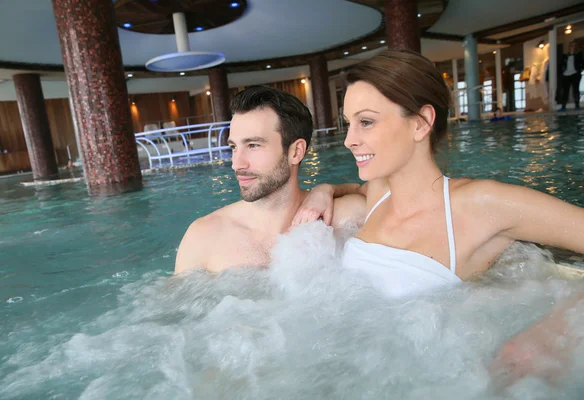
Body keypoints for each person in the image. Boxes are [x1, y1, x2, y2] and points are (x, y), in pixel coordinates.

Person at [293, 49, 584, 385]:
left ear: (420, 123)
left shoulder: (481, 204)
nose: (348, 140)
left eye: (366, 122)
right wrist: (324, 189)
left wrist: (556, 329)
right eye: (349, 123)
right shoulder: (377, 191)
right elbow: (355, 189)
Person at [174, 86, 365, 274]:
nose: (236, 164)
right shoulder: (203, 237)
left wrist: (327, 189)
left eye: (253, 145)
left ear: (296, 152)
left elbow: (386, 191)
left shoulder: (345, 218)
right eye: (233, 147)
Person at [559, 41, 583, 111]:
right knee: (565, 91)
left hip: (575, 74)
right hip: (566, 75)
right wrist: (562, 72)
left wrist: (581, 69)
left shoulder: (578, 55)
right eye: (571, 45)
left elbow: (582, 62)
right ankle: (563, 107)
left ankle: (577, 105)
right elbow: (560, 65)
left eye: (573, 46)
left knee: (575, 90)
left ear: (575, 47)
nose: (572, 47)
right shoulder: (565, 56)